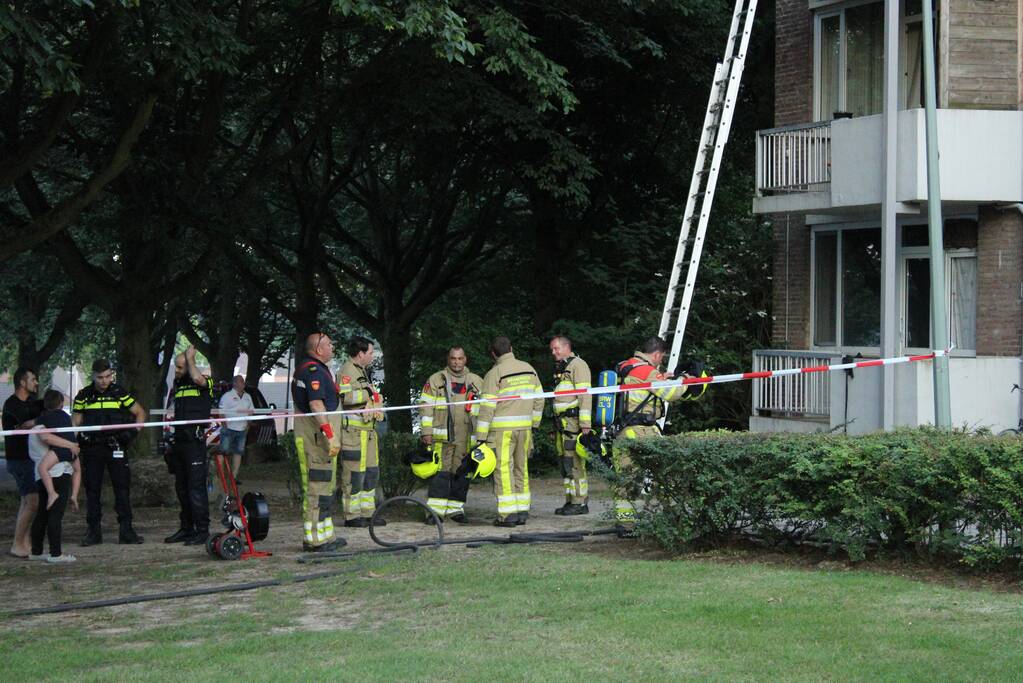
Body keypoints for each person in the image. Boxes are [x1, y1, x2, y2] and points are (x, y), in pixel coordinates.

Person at [612, 337, 690, 536]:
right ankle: (673, 517)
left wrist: (661, 377)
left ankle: (625, 525)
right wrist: (685, 380)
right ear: (656, 354)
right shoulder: (646, 371)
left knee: (626, 480)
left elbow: (644, 385)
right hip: (643, 431)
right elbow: (672, 393)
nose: (661, 361)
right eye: (661, 358)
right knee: (665, 473)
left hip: (623, 431)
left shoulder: (627, 366)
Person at [72, 359, 146, 546]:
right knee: (92, 490)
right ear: (93, 376)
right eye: (100, 377)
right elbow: (75, 423)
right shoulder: (83, 396)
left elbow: (140, 413)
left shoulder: (119, 392)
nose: (104, 381)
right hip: (93, 448)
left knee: (122, 489)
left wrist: (132, 433)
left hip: (116, 446)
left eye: (107, 376)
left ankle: (126, 532)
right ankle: (93, 533)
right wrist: (73, 443)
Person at [475, 336, 544, 527]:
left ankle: (507, 514)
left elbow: (487, 407)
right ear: (511, 349)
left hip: (502, 430)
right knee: (521, 468)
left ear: (493, 354)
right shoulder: (529, 369)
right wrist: (534, 424)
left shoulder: (494, 373)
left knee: (504, 469)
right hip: (525, 428)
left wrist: (480, 437)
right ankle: (522, 511)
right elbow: (540, 399)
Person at [291, 332, 344, 552]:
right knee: (316, 488)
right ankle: (314, 540)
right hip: (316, 439)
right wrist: (330, 435)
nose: (333, 348)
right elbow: (316, 405)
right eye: (329, 344)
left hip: (319, 439)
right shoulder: (313, 371)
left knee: (325, 488)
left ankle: (326, 535)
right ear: (319, 349)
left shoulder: (316, 369)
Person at [419, 346, 484, 523]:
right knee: (440, 473)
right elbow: (425, 407)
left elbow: (485, 409)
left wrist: (482, 435)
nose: (456, 362)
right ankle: (434, 513)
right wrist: (426, 432)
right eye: (453, 358)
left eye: (460, 358)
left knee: (462, 472)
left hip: (466, 436)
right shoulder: (436, 379)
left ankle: (456, 510)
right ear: (448, 359)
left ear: (465, 359)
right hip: (442, 437)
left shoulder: (476, 381)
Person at [163, 345, 214, 546]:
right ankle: (186, 528)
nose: (176, 371)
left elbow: (198, 379)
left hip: (195, 442)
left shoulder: (205, 382)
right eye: (175, 367)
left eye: (180, 367)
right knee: (182, 488)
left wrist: (191, 359)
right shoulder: (178, 384)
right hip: (180, 442)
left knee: (196, 488)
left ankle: (202, 531)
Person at [28, 390, 81, 564]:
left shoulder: (34, 429)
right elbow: (48, 439)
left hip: (41, 476)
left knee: (42, 514)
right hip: (58, 473)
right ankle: (56, 554)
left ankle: (36, 551)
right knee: (55, 515)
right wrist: (71, 444)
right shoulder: (47, 428)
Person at [338, 336, 384, 528]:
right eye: (371, 352)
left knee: (371, 473)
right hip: (353, 433)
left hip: (368, 432)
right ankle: (352, 515)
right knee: (354, 475)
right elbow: (346, 397)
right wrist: (370, 394)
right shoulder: (347, 370)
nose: (373, 356)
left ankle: (367, 513)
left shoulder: (361, 370)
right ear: (360, 353)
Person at [549, 335, 593, 516]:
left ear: (567, 347)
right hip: (562, 424)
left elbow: (585, 395)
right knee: (565, 463)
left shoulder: (578, 365)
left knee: (575, 463)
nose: (553, 352)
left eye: (556, 348)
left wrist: (585, 424)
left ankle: (580, 502)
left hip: (573, 424)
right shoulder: (561, 367)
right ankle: (570, 500)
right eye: (552, 349)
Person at [3, 367, 43, 558]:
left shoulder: (32, 402)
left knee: (26, 501)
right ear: (22, 382)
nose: (36, 382)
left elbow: (42, 411)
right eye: (33, 379)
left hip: (29, 459)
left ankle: (23, 542)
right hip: (19, 460)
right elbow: (24, 419)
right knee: (33, 501)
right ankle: (17, 544)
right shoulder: (11, 405)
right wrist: (37, 420)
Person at [218, 375, 254, 482]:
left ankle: (234, 477)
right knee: (223, 451)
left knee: (238, 453)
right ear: (235, 383)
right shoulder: (227, 396)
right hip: (229, 429)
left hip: (242, 429)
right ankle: (220, 477)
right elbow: (221, 412)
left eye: (243, 381)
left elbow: (251, 411)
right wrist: (225, 425)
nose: (243, 383)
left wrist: (248, 424)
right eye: (241, 381)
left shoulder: (248, 396)